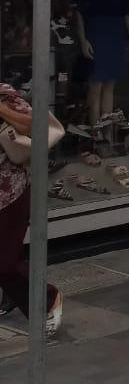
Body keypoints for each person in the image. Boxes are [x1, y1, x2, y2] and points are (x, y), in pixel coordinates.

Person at [0, 83, 63, 336]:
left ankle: (47, 299)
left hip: (9, 192)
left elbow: (36, 127)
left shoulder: (6, 96)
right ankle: (13, 295)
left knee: (4, 262)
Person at [73, 0, 129, 136]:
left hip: (115, 31)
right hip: (96, 30)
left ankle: (107, 132)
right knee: (96, 84)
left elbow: (125, 10)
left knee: (110, 84)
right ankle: (96, 133)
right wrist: (83, 39)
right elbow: (79, 13)